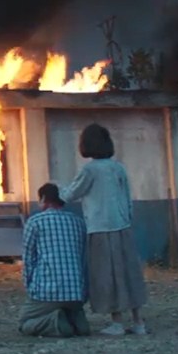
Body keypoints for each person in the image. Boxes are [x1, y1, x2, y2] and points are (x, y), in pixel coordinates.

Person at [60, 122, 150, 335]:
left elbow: (72, 193)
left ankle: (117, 322)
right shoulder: (118, 167)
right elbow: (127, 197)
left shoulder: (90, 170)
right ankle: (138, 322)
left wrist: (57, 189)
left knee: (106, 274)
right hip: (122, 226)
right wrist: (126, 219)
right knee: (128, 273)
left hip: (100, 228)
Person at [19, 182, 91, 338]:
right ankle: (76, 320)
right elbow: (84, 258)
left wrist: (29, 286)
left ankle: (56, 322)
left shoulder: (35, 222)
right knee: (71, 306)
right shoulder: (78, 222)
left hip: (48, 292)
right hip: (77, 293)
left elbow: (29, 258)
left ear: (44, 199)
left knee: (25, 322)